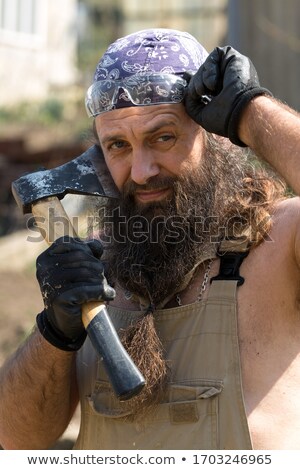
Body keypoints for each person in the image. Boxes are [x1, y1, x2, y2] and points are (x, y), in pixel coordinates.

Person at [0, 27, 300, 450]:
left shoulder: (280, 239)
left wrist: (252, 112)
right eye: (118, 145)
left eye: (163, 137)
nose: (141, 171)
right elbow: (16, 441)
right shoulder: (95, 265)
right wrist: (55, 331)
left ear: (214, 135)